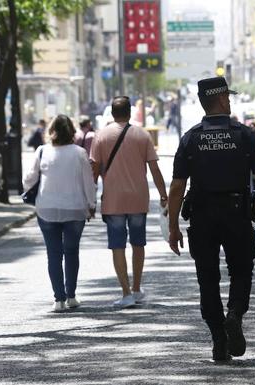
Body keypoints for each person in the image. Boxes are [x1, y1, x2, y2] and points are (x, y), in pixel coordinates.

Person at [167, 77, 255, 362]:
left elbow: (177, 186)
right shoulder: (242, 135)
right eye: (228, 97)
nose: (230, 101)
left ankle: (219, 338)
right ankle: (235, 314)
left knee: (207, 279)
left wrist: (173, 228)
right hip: (236, 213)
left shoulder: (191, 137)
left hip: (202, 216)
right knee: (242, 270)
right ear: (222, 100)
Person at [90, 96, 169, 308]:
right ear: (129, 112)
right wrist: (163, 195)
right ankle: (136, 288)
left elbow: (94, 171)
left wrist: (90, 200)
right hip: (138, 198)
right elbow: (154, 169)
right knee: (138, 243)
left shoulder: (101, 136)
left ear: (112, 112)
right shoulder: (142, 135)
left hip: (113, 200)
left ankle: (125, 292)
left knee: (117, 245)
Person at [23, 115, 96, 312]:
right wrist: (92, 204)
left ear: (51, 131)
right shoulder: (80, 153)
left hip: (47, 208)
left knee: (53, 254)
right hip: (74, 208)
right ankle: (71, 295)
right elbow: (88, 182)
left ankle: (58, 299)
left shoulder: (42, 151)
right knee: (72, 252)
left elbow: (28, 179)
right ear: (72, 131)